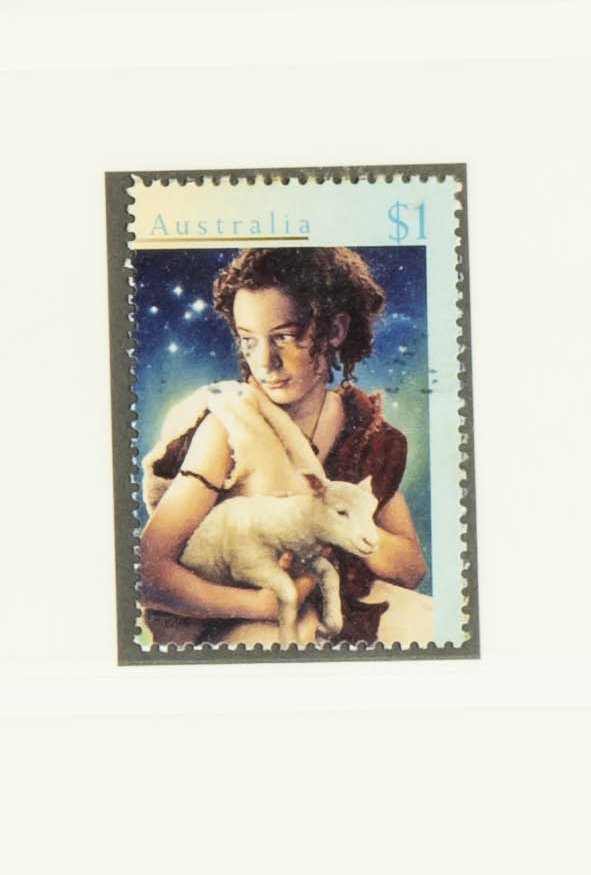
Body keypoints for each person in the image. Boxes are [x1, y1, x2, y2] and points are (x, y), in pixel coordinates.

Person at [134, 243, 431, 645]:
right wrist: (258, 605)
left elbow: (410, 568)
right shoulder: (230, 427)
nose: (265, 362)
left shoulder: (363, 432)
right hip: (248, 617)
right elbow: (147, 572)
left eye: (285, 337)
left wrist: (333, 520)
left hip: (340, 611)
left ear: (335, 331)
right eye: (249, 341)